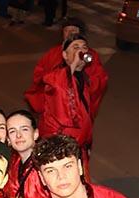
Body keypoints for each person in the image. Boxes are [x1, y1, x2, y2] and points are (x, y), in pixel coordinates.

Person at [25, 18, 108, 118]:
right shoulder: (53, 53)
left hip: (78, 106)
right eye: (66, 30)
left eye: (73, 30)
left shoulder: (90, 55)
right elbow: (40, 73)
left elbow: (100, 79)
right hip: (54, 104)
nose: (69, 33)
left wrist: (82, 85)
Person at [38, 36, 99, 171]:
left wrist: (87, 142)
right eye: (75, 47)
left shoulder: (83, 77)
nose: (80, 51)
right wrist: (73, 64)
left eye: (84, 47)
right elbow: (58, 87)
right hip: (60, 147)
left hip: (78, 145)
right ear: (65, 55)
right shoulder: (56, 77)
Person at [3, 109, 47, 198]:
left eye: (24, 129)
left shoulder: (48, 163)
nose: (18, 135)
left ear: (35, 134)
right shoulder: (9, 164)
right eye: (12, 131)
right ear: (8, 140)